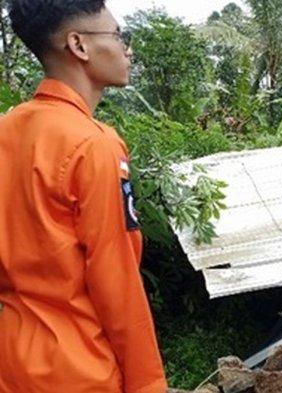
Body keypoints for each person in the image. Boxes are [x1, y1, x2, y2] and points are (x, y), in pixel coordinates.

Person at [0, 1, 167, 392]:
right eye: (117, 35)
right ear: (78, 45)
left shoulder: (7, 132)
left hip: (12, 364)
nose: (127, 49)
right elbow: (117, 281)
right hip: (81, 372)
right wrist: (148, 384)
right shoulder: (95, 145)